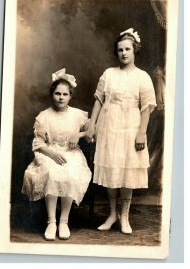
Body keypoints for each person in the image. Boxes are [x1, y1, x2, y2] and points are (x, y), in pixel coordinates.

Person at [86, 28, 157, 234]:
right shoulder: (109, 74)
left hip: (131, 128)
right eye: (120, 50)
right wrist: (92, 125)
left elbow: (147, 108)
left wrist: (141, 132)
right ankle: (112, 214)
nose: (124, 53)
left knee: (126, 170)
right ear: (116, 52)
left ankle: (124, 216)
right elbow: (99, 100)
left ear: (135, 50)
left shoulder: (142, 77)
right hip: (110, 127)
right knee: (112, 168)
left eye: (127, 49)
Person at [22, 68, 92, 241]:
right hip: (48, 152)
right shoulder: (43, 116)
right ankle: (51, 221)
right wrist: (52, 155)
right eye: (57, 93)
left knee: (69, 173)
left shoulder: (77, 114)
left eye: (65, 94)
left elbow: (93, 130)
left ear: (70, 96)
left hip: (71, 152)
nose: (61, 97)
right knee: (52, 172)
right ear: (51, 94)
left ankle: (64, 221)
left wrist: (79, 134)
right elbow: (38, 143)